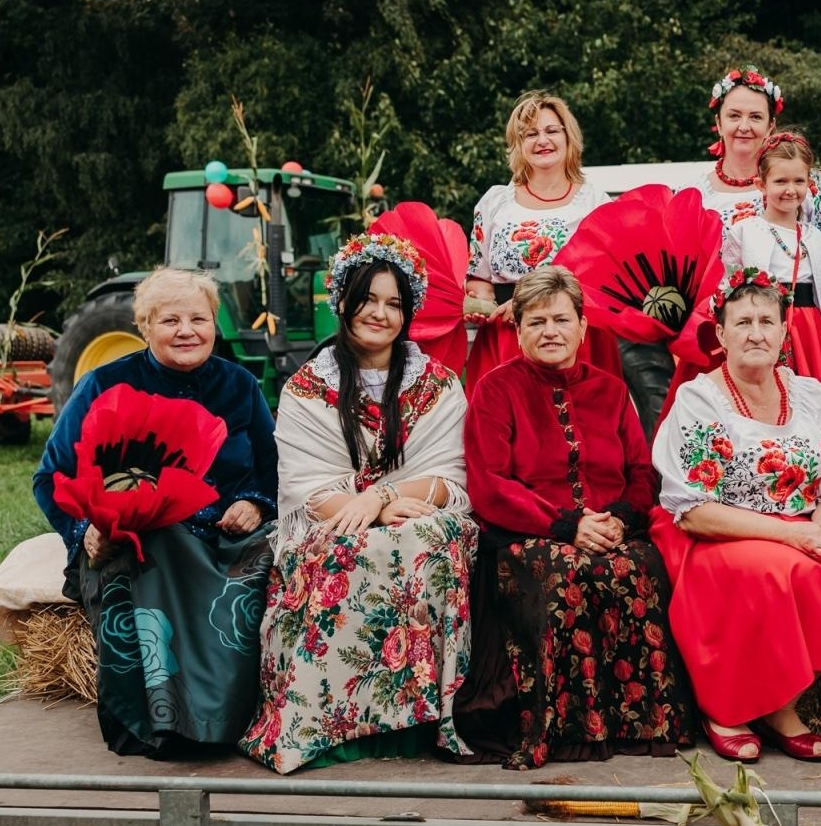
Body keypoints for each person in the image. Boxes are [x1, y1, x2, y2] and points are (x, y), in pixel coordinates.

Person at [651, 270, 821, 763]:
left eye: (766, 322)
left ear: (784, 330)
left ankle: (781, 705)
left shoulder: (812, 395)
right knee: (776, 572)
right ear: (721, 333)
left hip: (799, 527)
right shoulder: (700, 399)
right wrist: (793, 537)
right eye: (743, 323)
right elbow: (692, 511)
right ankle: (727, 709)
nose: (756, 333)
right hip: (719, 531)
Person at [241, 232, 478, 773]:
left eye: (394, 303)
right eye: (367, 299)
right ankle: (326, 727)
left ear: (408, 314)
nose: (379, 313)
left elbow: (452, 475)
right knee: (335, 554)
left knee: (431, 540)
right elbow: (304, 486)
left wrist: (385, 495)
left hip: (420, 514)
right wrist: (371, 509)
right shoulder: (306, 387)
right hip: (335, 519)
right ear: (342, 301)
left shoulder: (439, 385)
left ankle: (421, 724)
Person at [455, 266, 693, 768]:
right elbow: (490, 484)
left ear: (583, 327)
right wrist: (567, 525)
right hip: (525, 532)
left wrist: (621, 519)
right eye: (537, 322)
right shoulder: (495, 390)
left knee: (641, 566)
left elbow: (640, 471)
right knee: (567, 571)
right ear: (518, 329)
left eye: (561, 320)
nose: (550, 332)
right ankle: (564, 728)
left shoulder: (611, 390)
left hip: (607, 528)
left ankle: (642, 722)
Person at [32, 267, 277, 756]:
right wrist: (85, 531)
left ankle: (240, 719)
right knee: (155, 552)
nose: (187, 331)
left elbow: (273, 469)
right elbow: (50, 477)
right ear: (144, 326)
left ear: (214, 325)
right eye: (170, 321)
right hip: (136, 540)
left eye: (198, 319)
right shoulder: (103, 384)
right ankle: (169, 727)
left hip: (226, 537)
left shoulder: (241, 386)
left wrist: (253, 502)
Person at [463, 91, 618, 384]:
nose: (542, 140)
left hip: (576, 339)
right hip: (508, 339)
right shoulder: (495, 202)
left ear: (568, 137)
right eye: (531, 134)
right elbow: (478, 277)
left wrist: (530, 305)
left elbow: (608, 280)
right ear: (518, 145)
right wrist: (482, 305)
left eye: (551, 131)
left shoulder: (595, 203)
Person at [722, 131, 821, 430]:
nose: (790, 190)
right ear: (761, 184)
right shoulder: (745, 231)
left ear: (809, 183)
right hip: (767, 325)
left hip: (810, 331)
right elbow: (728, 285)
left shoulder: (815, 236)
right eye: (780, 181)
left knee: (812, 408)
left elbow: (820, 287)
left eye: (798, 181)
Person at [691, 66, 821, 232]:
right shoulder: (695, 196)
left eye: (755, 117)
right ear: (719, 123)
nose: (744, 127)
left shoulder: (803, 191)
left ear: (770, 126)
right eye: (734, 116)